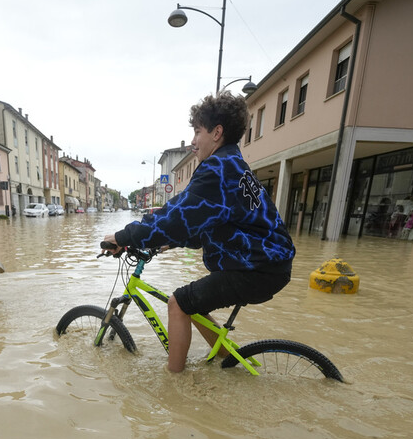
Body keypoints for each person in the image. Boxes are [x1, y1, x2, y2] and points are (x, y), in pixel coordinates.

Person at [104, 92, 295, 373]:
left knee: (179, 302)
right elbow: (203, 223)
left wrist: (122, 237)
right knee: (195, 303)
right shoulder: (234, 166)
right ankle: (224, 360)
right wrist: (167, 244)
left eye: (197, 131)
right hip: (267, 264)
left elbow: (175, 217)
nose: (193, 141)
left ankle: (175, 382)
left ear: (217, 132)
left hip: (258, 267)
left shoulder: (217, 170)